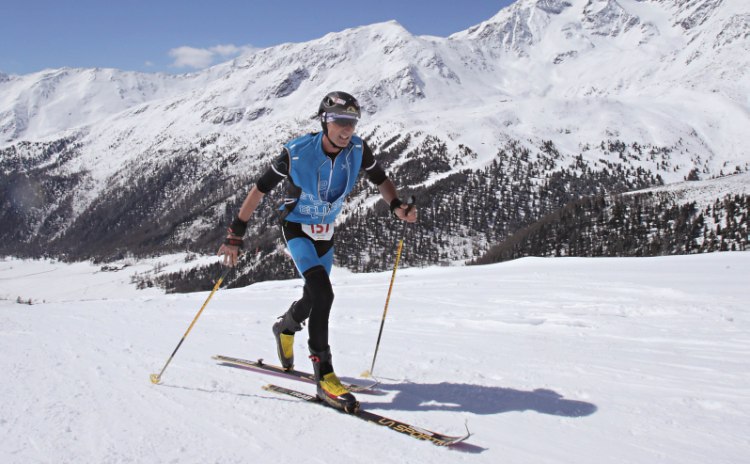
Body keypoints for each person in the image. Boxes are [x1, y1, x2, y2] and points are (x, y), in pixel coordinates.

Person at [217, 91, 417, 412]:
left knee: (313, 296)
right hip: (296, 227)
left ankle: (285, 326)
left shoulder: (358, 149)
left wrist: (395, 206)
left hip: (326, 231)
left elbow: (380, 179)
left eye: (352, 121)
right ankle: (324, 375)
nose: (347, 128)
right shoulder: (296, 153)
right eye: (340, 120)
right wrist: (236, 233)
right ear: (324, 120)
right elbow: (259, 189)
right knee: (324, 295)